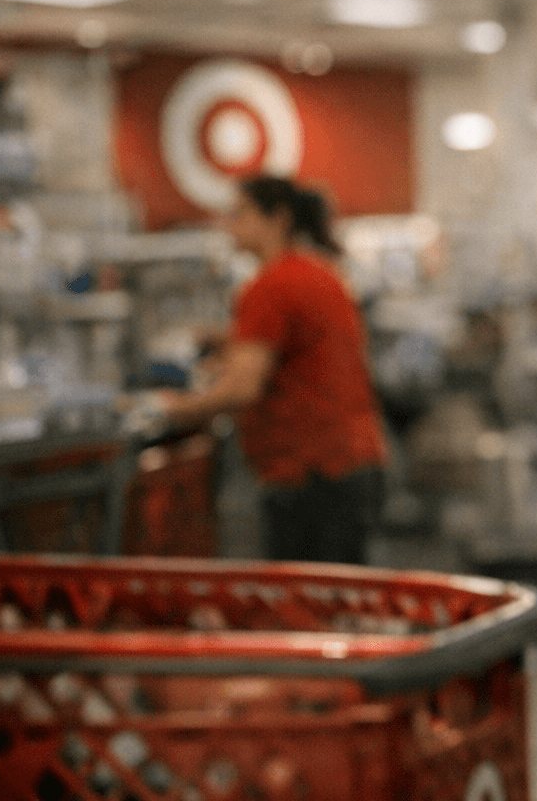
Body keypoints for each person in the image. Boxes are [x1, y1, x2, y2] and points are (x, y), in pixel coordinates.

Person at [158, 176, 385, 564]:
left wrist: (170, 409)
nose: (230, 224)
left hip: (310, 470)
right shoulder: (317, 271)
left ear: (278, 218)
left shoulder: (270, 285)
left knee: (308, 605)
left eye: (241, 214)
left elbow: (241, 389)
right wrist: (230, 341)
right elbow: (299, 348)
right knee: (340, 600)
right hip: (350, 462)